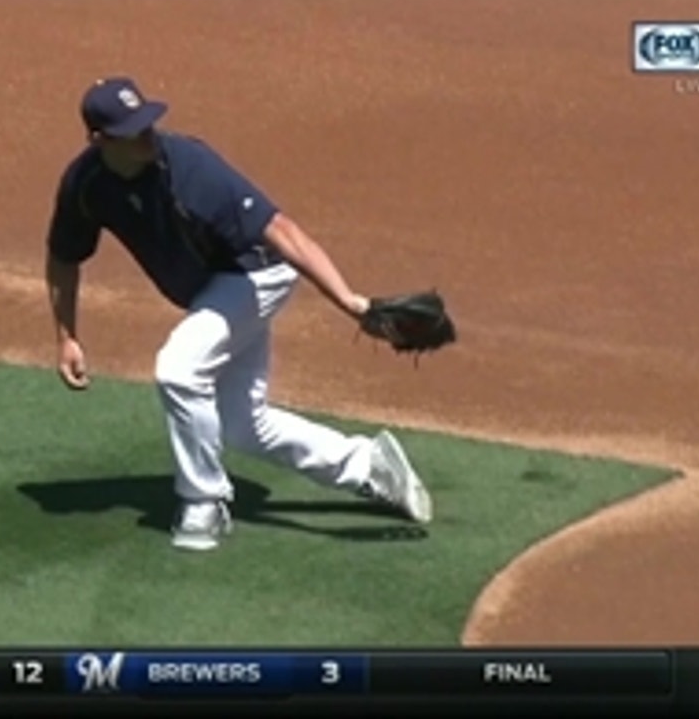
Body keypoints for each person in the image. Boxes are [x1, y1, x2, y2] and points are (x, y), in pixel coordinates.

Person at [45, 76, 432, 551]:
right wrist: (67, 335)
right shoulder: (85, 185)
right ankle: (367, 465)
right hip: (214, 289)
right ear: (100, 141)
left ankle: (203, 503)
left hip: (257, 274)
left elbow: (283, 231)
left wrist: (349, 301)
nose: (147, 134)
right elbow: (64, 257)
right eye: (132, 130)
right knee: (243, 427)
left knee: (179, 370)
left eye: (147, 122)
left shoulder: (190, 167)